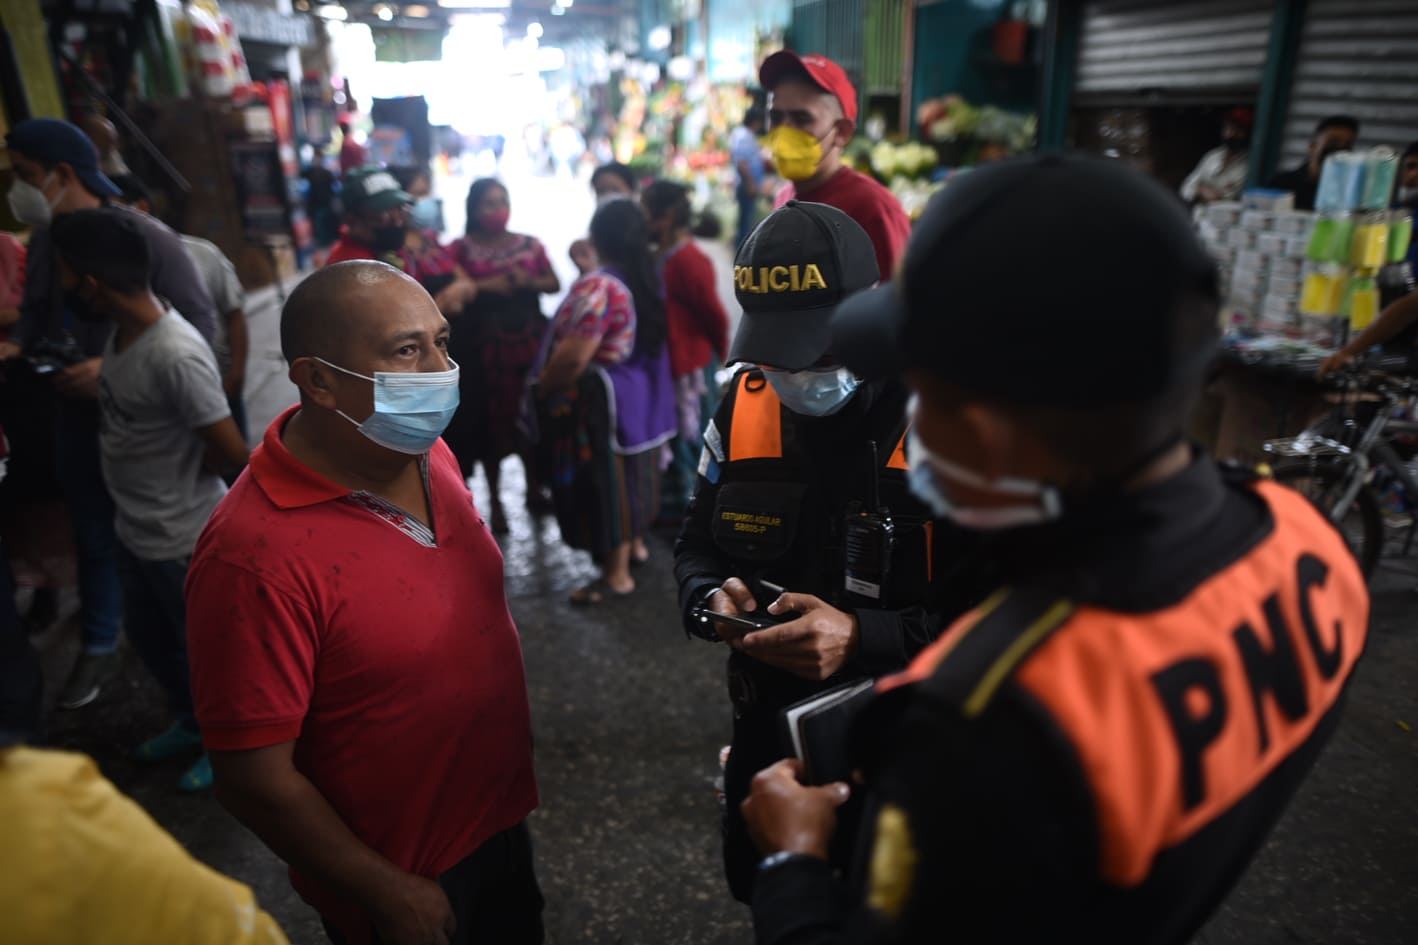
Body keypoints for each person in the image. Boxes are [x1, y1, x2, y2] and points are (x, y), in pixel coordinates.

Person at [740, 153, 1371, 945]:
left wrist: (792, 863)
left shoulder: (980, 715)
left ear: (991, 429)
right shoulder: (1307, 543)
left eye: (924, 392)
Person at [185, 261, 542, 945]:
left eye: (443, 341)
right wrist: (384, 889)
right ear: (317, 379)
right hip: (401, 874)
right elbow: (250, 775)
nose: (441, 369)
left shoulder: (421, 445)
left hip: (495, 821)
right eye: (408, 351)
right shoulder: (250, 556)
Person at [675, 200, 970, 905]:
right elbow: (695, 543)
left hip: (911, 760)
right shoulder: (743, 401)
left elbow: (1008, 622)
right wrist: (707, 601)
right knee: (778, 900)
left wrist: (863, 635)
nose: (795, 369)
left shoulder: (953, 423)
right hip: (770, 747)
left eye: (817, 345)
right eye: (775, 348)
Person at [3, 118, 216, 710]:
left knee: (178, 571)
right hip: (74, 418)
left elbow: (203, 328)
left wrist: (111, 369)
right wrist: (20, 345)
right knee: (98, 534)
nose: (18, 192)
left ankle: (221, 713)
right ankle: (104, 644)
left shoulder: (146, 239)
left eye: (23, 177)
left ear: (62, 174)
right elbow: (38, 315)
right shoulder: (47, 241)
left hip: (150, 429)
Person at [51, 208, 248, 792]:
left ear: (90, 283)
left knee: (210, 658)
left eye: (62, 273)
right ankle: (193, 724)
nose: (59, 286)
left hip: (181, 539)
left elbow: (231, 452)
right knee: (158, 645)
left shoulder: (176, 355)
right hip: (136, 530)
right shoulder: (122, 333)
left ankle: (230, 747)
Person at [534, 199, 675, 603]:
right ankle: (634, 550)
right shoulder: (647, 276)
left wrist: (544, 388)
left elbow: (575, 355)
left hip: (609, 404)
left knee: (609, 484)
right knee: (636, 478)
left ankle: (616, 576)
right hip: (646, 396)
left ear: (599, 238)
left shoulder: (601, 286)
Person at [448, 178, 560, 533]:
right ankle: (494, 500)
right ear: (473, 209)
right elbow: (454, 287)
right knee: (490, 422)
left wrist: (527, 282)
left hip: (528, 347)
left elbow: (553, 282)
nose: (496, 210)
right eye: (488, 204)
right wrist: (487, 287)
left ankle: (534, 486)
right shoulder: (459, 250)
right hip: (485, 352)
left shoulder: (530, 244)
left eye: (501, 201)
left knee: (532, 417)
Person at [111, 173, 252, 441]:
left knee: (236, 464)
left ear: (141, 207)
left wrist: (237, 373)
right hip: (158, 397)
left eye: (115, 209)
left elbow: (234, 314)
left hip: (216, 380)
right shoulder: (114, 275)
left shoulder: (202, 254)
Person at [758, 51, 910, 281]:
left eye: (802, 119)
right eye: (776, 117)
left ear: (841, 132)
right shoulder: (785, 199)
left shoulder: (874, 208)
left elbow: (900, 303)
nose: (784, 131)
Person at [641, 179, 730, 522]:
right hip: (670, 362)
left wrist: (720, 353)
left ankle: (694, 509)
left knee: (692, 434)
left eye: (646, 210)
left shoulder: (689, 259)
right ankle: (677, 504)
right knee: (676, 433)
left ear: (664, 218)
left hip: (690, 365)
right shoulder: (660, 255)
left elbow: (714, 315)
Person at [325, 166, 477, 317]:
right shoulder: (348, 269)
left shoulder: (387, 249)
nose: (397, 222)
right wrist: (439, 307)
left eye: (400, 210)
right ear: (351, 220)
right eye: (383, 215)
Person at [1267, 115, 1360, 211]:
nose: (1340, 149)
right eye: (1333, 142)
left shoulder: (1350, 191)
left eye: (1347, 145)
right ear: (1313, 146)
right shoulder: (1282, 185)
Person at [570, 163, 641, 276]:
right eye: (601, 192)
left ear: (632, 190)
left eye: (615, 190)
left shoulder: (650, 233)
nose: (608, 197)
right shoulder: (593, 239)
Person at [1180, 107, 1254, 205]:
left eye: (1238, 129)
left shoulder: (1250, 164)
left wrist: (1209, 192)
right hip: (1198, 216)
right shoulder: (1212, 156)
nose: (1231, 134)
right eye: (1229, 128)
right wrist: (1201, 190)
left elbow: (1230, 199)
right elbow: (1186, 188)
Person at [732, 106, 768, 248]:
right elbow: (742, 163)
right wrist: (750, 183)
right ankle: (742, 254)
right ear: (755, 121)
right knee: (746, 223)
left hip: (746, 183)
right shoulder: (745, 136)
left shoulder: (741, 133)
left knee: (744, 220)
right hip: (747, 184)